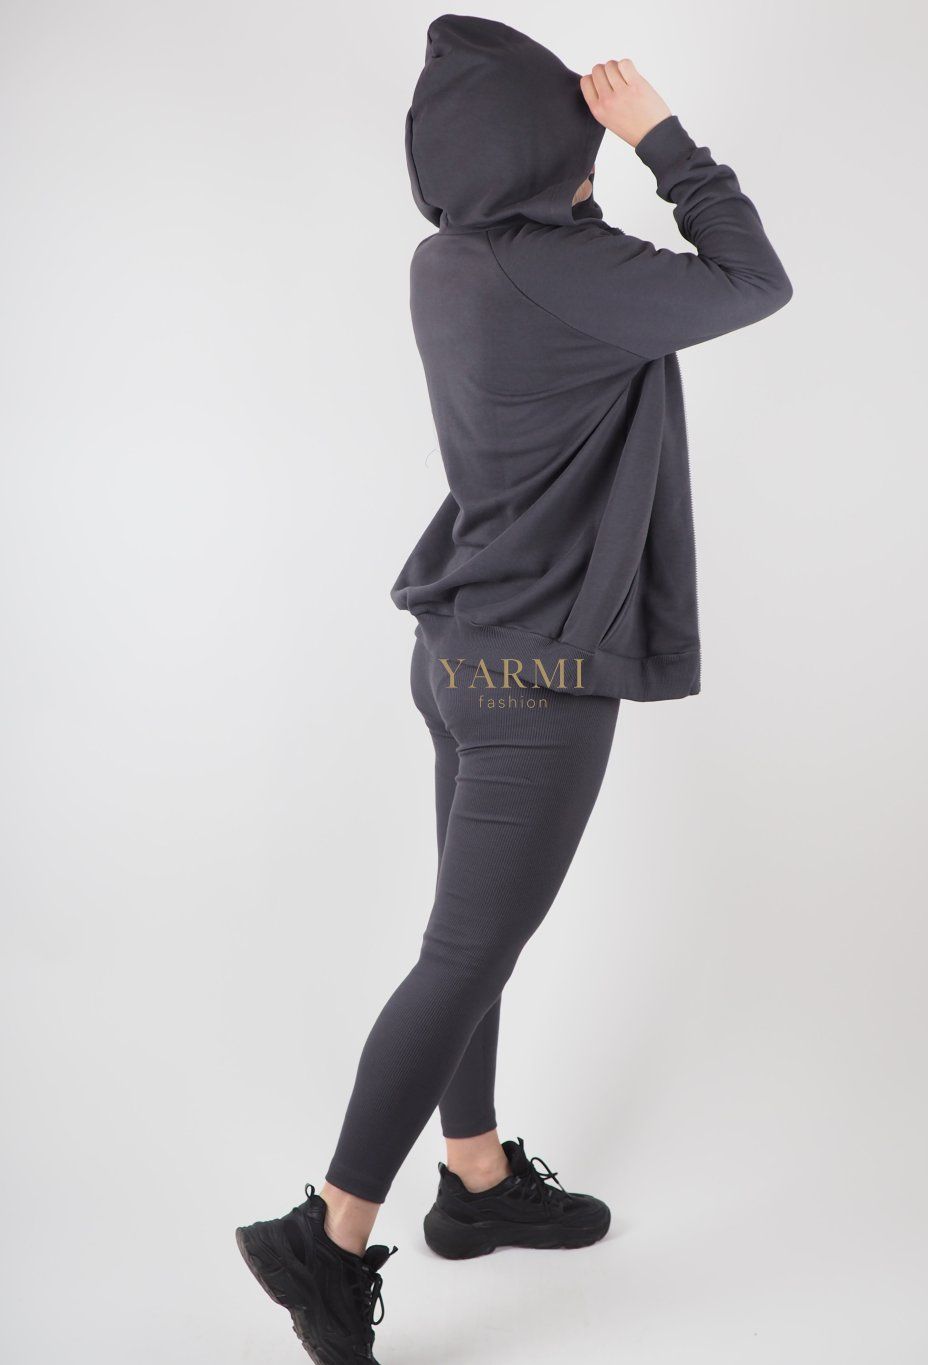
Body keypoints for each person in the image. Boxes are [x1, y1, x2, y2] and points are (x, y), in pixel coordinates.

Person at [235, 15, 792, 1364]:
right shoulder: (577, 273)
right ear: (549, 152)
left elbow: (584, 249)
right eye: (573, 136)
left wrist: (581, 165)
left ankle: (475, 1177)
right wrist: (662, 139)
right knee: (465, 955)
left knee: (471, 941)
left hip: (457, 651)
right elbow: (753, 279)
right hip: (538, 674)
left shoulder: (449, 261)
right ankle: (327, 1235)